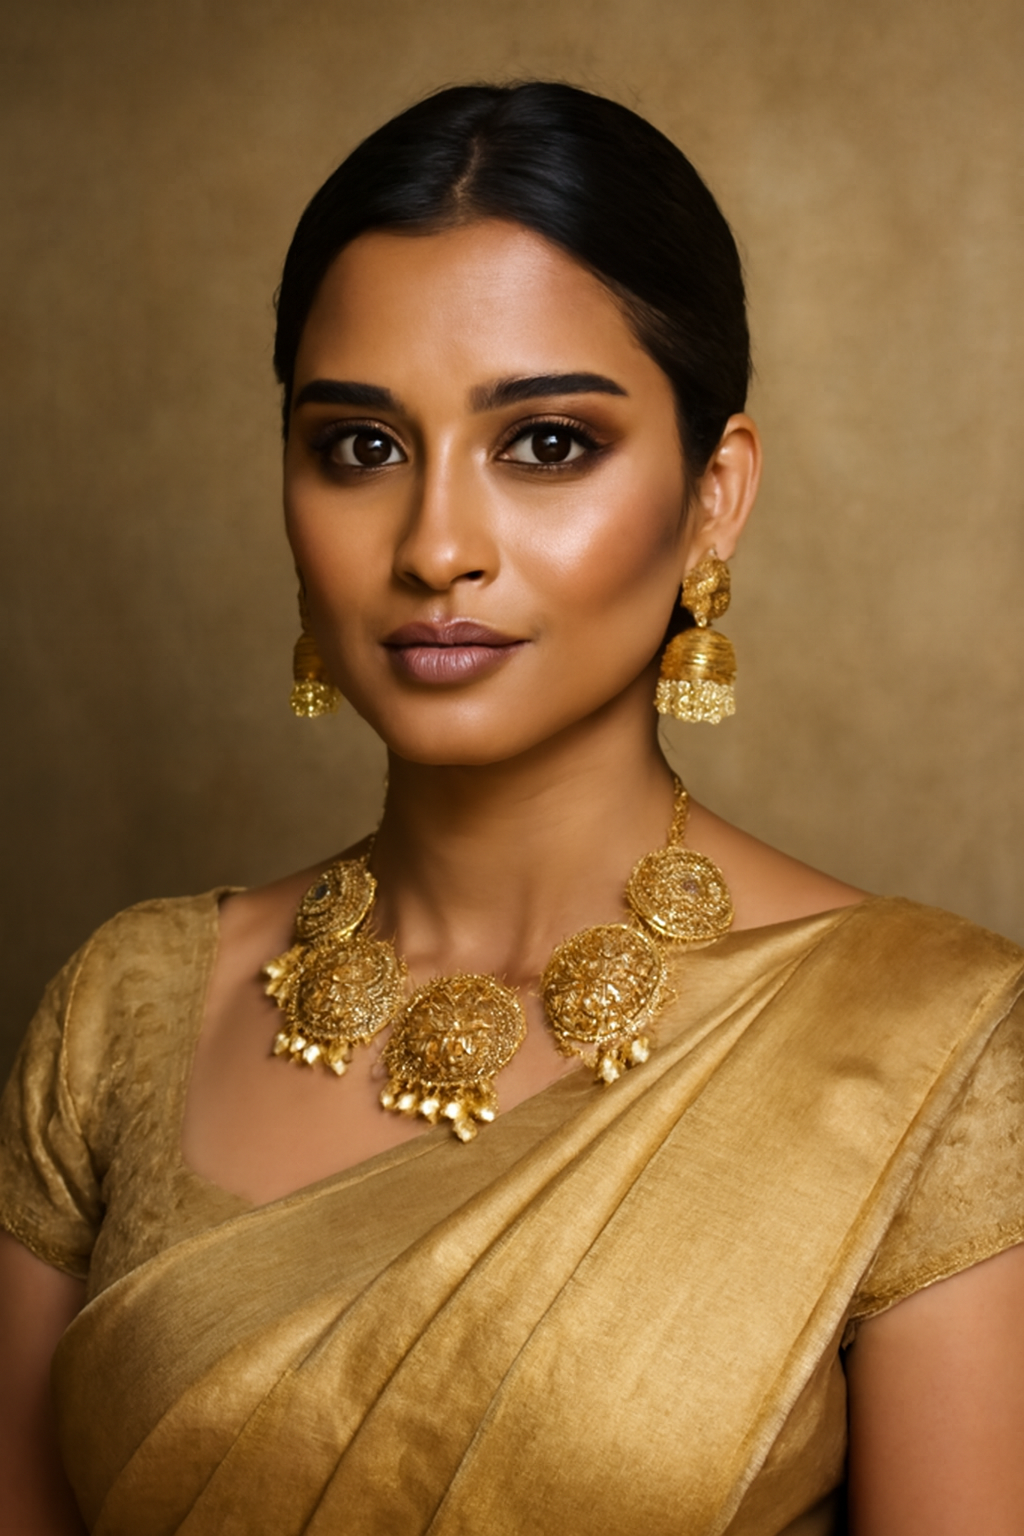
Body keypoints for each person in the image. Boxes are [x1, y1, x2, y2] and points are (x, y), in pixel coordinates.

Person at [1, 81, 1022, 1536]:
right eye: (361, 447)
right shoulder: (128, 1014)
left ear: (715, 493)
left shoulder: (928, 1048)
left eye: (545, 443)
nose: (436, 546)